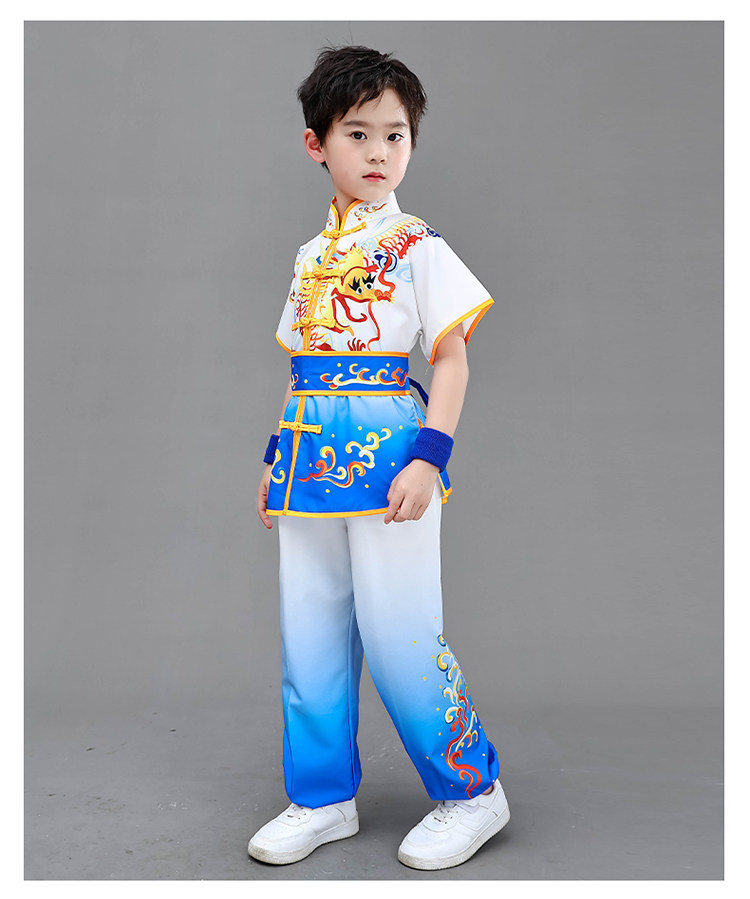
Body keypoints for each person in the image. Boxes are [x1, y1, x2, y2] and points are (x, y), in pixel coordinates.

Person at [248, 45, 510, 871]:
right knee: (310, 637)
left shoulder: (417, 244)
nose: (378, 153)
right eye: (357, 134)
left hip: (392, 459)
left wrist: (430, 459)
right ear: (316, 144)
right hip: (306, 463)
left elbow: (452, 361)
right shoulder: (309, 258)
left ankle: (472, 790)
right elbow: (303, 366)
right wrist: (274, 457)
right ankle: (322, 796)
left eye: (395, 136)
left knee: (401, 634)